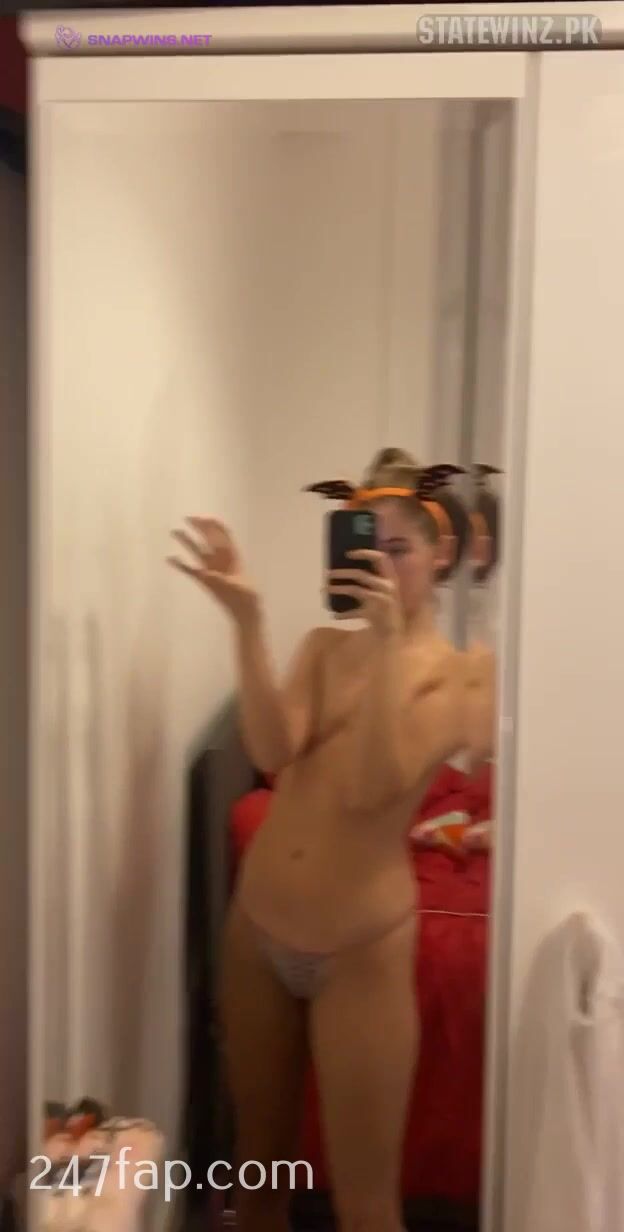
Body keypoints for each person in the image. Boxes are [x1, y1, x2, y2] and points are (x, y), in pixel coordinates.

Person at [168, 447, 470, 1232]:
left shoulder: (456, 677)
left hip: (359, 954)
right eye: (368, 546)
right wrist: (248, 622)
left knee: (366, 1205)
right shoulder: (323, 648)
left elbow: (375, 785)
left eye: (399, 549)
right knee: (259, 1177)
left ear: (441, 552)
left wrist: (389, 647)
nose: (381, 566)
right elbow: (269, 749)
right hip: (257, 927)